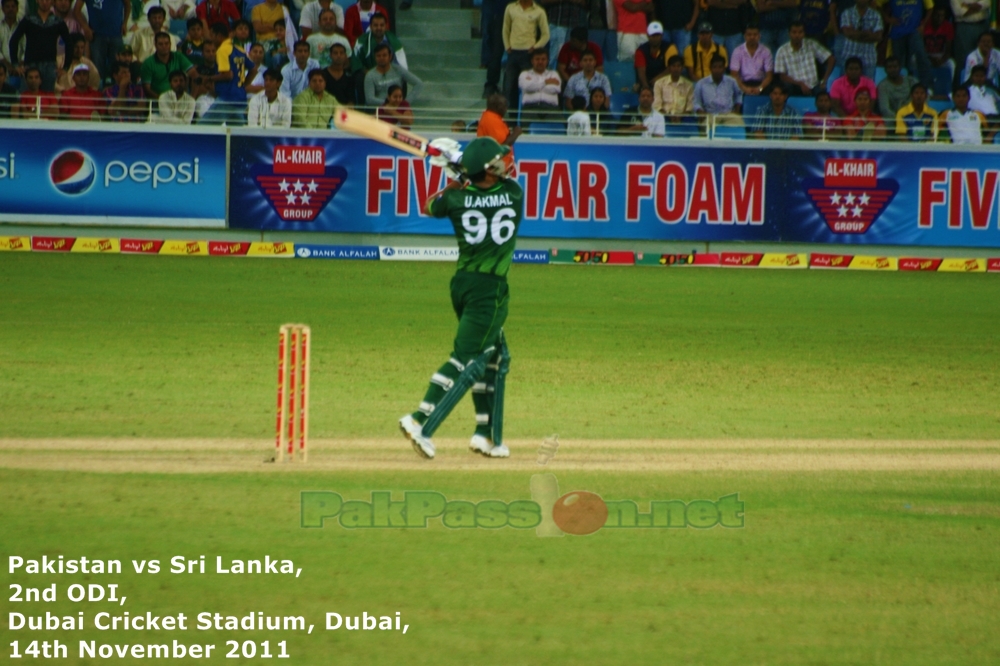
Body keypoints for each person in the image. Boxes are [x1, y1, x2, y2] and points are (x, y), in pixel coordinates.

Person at [399, 136, 523, 461]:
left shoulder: (455, 200)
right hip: (490, 291)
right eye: (500, 160)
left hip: (463, 284)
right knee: (467, 359)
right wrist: (464, 166)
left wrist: (456, 176)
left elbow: (430, 205)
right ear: (491, 170)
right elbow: (507, 177)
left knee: (497, 357)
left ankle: (488, 435)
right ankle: (419, 421)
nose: (507, 162)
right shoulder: (514, 195)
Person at [8, 0, 71, 91]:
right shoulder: (28, 19)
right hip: (30, 64)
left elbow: (69, 43)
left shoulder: (58, 21)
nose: (45, 2)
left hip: (49, 66)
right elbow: (13, 41)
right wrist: (15, 64)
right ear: (37, 1)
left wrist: (66, 67)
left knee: (47, 99)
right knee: (27, 98)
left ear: (52, 2)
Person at [502, 0, 549, 108]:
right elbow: (505, 29)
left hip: (528, 54)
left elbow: (546, 35)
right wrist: (507, 46)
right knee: (508, 87)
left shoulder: (539, 11)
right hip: (512, 53)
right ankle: (510, 117)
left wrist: (535, 47)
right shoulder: (510, 8)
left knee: (527, 87)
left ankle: (525, 115)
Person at [879, 0, 933, 91]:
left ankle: (925, 87)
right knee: (898, 62)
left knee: (921, 57)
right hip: (897, 33)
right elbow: (876, 3)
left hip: (914, 31)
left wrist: (923, 24)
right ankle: (899, 88)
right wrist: (887, 18)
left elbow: (930, 7)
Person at [209, 20, 254, 124]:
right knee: (237, 134)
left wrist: (209, 78)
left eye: (212, 35)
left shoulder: (222, 50)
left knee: (204, 128)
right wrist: (242, 85)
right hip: (240, 98)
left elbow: (228, 75)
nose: (210, 38)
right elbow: (254, 69)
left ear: (219, 36)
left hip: (227, 98)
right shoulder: (239, 49)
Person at [774, 20, 834, 95]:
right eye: (794, 32)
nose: (797, 35)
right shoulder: (782, 50)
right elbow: (782, 76)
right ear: (789, 33)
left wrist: (824, 80)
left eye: (800, 32)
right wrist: (800, 84)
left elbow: (830, 59)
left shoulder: (811, 44)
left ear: (804, 33)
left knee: (823, 94)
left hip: (814, 86)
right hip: (794, 86)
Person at [73, 0, 128, 80]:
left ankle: (116, 90)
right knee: (97, 69)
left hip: (116, 34)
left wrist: (125, 22)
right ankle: (98, 90)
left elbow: (128, 5)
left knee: (117, 67)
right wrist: (85, 27)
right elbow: (76, 10)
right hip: (97, 35)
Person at [140, 31, 194, 97]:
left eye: (166, 43)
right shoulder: (148, 63)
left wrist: (187, 95)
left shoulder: (178, 56)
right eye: (160, 44)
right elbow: (147, 88)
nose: (164, 46)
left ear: (170, 44)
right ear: (155, 45)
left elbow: (193, 73)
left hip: (179, 99)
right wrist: (162, 100)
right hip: (157, 101)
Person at [693, 53, 743, 125]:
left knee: (739, 124)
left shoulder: (732, 81)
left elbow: (739, 95)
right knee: (705, 126)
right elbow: (696, 102)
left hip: (728, 115)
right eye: (714, 67)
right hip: (710, 115)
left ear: (724, 68)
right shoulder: (701, 83)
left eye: (720, 67)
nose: (717, 70)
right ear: (710, 68)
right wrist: (700, 111)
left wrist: (737, 110)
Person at [477, 92, 521, 173]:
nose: (506, 108)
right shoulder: (492, 120)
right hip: (495, 167)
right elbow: (503, 145)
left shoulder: (491, 118)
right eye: (504, 105)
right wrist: (516, 132)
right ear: (497, 106)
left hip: (497, 166)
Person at [839, 0, 882, 79]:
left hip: (869, 58)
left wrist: (855, 33)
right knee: (846, 86)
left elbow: (878, 36)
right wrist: (868, 33)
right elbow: (848, 34)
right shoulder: (847, 13)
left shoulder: (876, 15)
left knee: (867, 87)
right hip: (849, 55)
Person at [729, 24, 773, 97]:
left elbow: (769, 76)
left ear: (759, 36)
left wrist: (760, 88)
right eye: (749, 35)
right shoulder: (737, 51)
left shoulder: (766, 51)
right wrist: (745, 89)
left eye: (755, 34)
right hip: (743, 83)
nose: (752, 37)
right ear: (745, 36)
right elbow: (734, 74)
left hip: (761, 84)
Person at [518, 48, 562, 120]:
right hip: (530, 108)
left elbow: (556, 89)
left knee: (560, 128)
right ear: (532, 61)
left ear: (547, 61)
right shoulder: (525, 74)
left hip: (551, 109)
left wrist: (534, 86)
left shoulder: (554, 74)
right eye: (537, 59)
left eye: (543, 59)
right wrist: (546, 82)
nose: (540, 62)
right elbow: (527, 87)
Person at [950, 0, 989, 78]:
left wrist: (968, 6)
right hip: (964, 27)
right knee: (963, 61)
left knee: (983, 58)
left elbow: (987, 2)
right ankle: (963, 87)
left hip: (982, 26)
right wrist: (976, 7)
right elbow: (958, 12)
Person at [653, 54, 693, 120]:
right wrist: (668, 116)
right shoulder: (659, 83)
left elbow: (690, 107)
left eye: (678, 66)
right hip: (663, 117)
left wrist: (680, 117)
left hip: (683, 118)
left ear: (682, 68)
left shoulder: (689, 85)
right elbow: (657, 106)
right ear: (669, 68)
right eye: (673, 66)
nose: (676, 69)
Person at [635, 21, 674, 89]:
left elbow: (671, 67)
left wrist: (658, 79)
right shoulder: (641, 50)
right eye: (653, 35)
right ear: (648, 36)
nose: (655, 38)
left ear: (662, 35)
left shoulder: (670, 48)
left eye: (657, 35)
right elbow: (641, 70)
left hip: (665, 83)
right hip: (647, 82)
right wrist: (646, 86)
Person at [877, 55, 917, 119]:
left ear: (900, 68)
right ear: (885, 70)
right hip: (894, 119)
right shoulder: (882, 86)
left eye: (895, 67)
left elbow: (924, 97)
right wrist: (898, 118)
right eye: (889, 67)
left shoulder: (912, 81)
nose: (893, 69)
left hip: (913, 116)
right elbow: (884, 109)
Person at [923, 5, 954, 76]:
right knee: (914, 60)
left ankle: (947, 85)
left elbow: (948, 49)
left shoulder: (948, 26)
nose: (939, 18)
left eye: (942, 16)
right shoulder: (925, 24)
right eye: (937, 15)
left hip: (940, 55)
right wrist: (930, 59)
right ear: (932, 15)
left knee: (951, 64)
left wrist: (941, 60)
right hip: (926, 55)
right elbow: (920, 47)